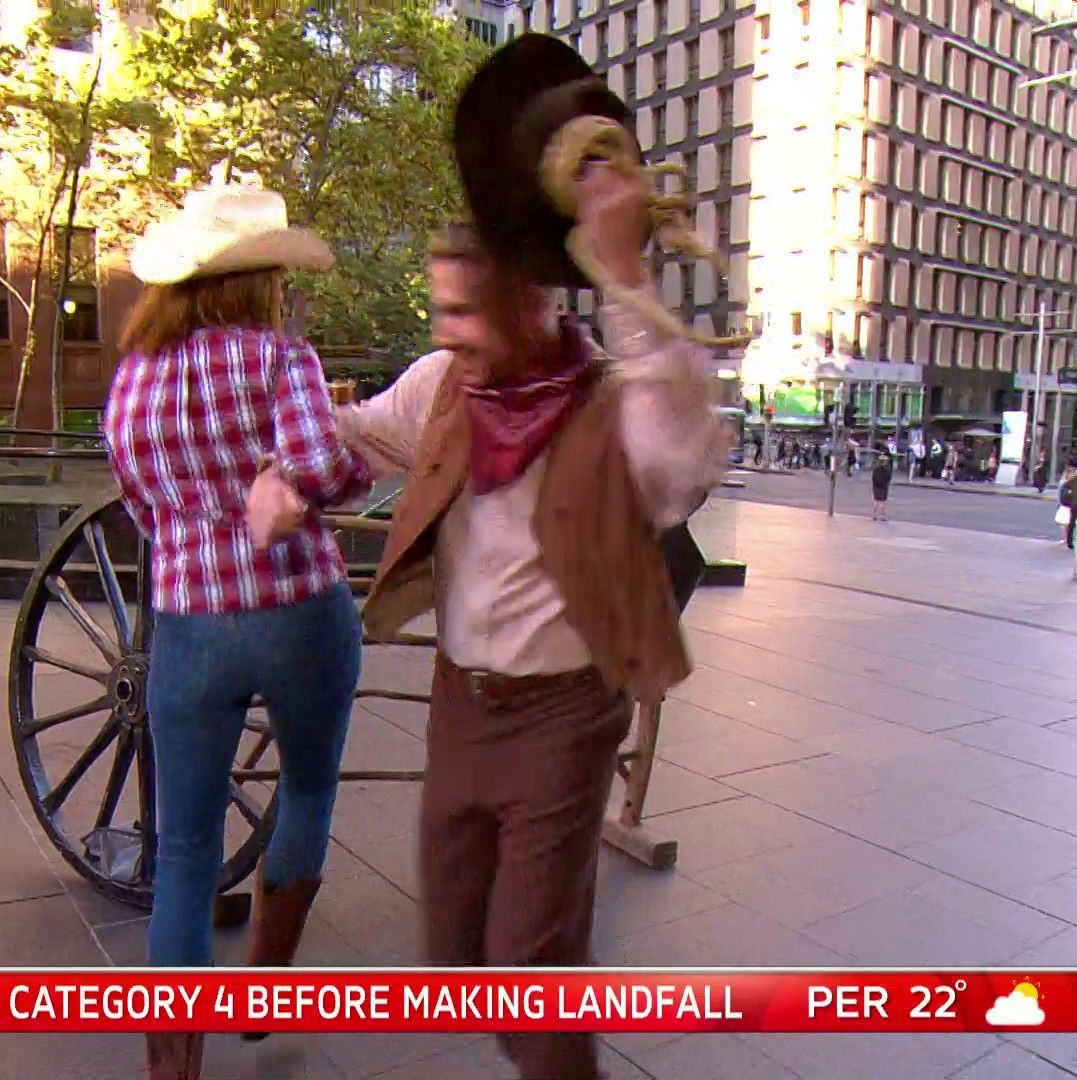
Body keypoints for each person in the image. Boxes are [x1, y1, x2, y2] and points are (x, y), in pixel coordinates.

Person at [257, 39, 726, 1078]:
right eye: (441, 315)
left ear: (529, 306)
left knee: (529, 963)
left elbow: (680, 465)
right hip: (461, 704)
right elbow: (354, 433)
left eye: (463, 314)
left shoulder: (611, 402)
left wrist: (626, 271)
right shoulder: (444, 387)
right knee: (461, 950)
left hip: (566, 709)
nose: (448, 333)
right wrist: (288, 477)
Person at [102, 183, 370, 1080]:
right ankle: (263, 993)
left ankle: (174, 1067)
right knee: (308, 790)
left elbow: (141, 508)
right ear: (260, 279)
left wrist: (199, 533)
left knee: (184, 850)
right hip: (299, 609)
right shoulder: (280, 357)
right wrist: (347, 468)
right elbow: (320, 466)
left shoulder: (133, 378)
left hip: (190, 622)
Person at [1056, 465, 1077, 548]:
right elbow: (1060, 494)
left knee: (1068, 524)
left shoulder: (1069, 483)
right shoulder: (1064, 482)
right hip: (1065, 506)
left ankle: (1068, 539)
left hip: (1069, 506)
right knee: (1065, 523)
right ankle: (1066, 539)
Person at [870, 446, 894, 521]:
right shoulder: (887, 470)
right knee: (882, 502)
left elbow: (873, 477)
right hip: (883, 487)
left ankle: (874, 515)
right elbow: (888, 478)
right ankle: (882, 516)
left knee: (876, 501)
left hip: (876, 486)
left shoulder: (875, 469)